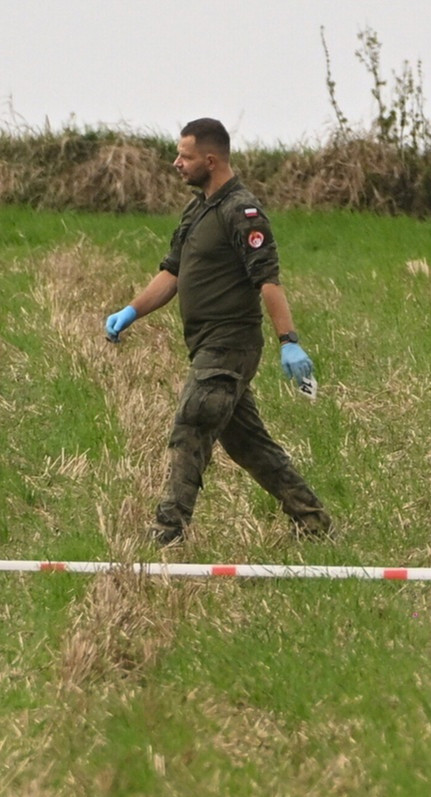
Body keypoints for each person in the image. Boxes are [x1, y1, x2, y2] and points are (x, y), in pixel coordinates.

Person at [104, 118, 331, 545]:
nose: (176, 163)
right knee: (248, 444)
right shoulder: (198, 210)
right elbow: (172, 273)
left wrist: (290, 343)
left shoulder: (241, 211)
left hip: (230, 344)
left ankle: (169, 531)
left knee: (192, 423)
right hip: (206, 344)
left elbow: (268, 281)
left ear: (210, 160)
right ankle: (314, 521)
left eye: (184, 157)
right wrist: (130, 312)